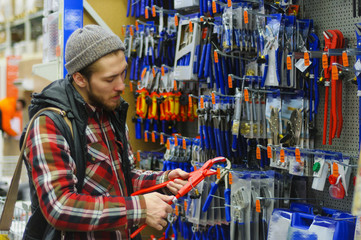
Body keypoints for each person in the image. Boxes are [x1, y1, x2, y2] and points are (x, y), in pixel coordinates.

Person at [22, 25, 189, 239]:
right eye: (110, 79)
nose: (121, 86)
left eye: (123, 73)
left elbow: (120, 178)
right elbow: (60, 206)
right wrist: (139, 209)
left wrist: (163, 181)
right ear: (80, 79)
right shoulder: (50, 124)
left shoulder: (109, 110)